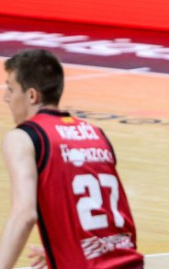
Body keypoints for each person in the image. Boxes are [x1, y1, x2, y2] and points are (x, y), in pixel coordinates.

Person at [0, 49, 144, 269]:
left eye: (11, 89)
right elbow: (97, 212)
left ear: (31, 96)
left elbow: (24, 215)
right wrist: (63, 246)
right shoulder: (96, 134)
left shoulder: (24, 137)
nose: (6, 97)